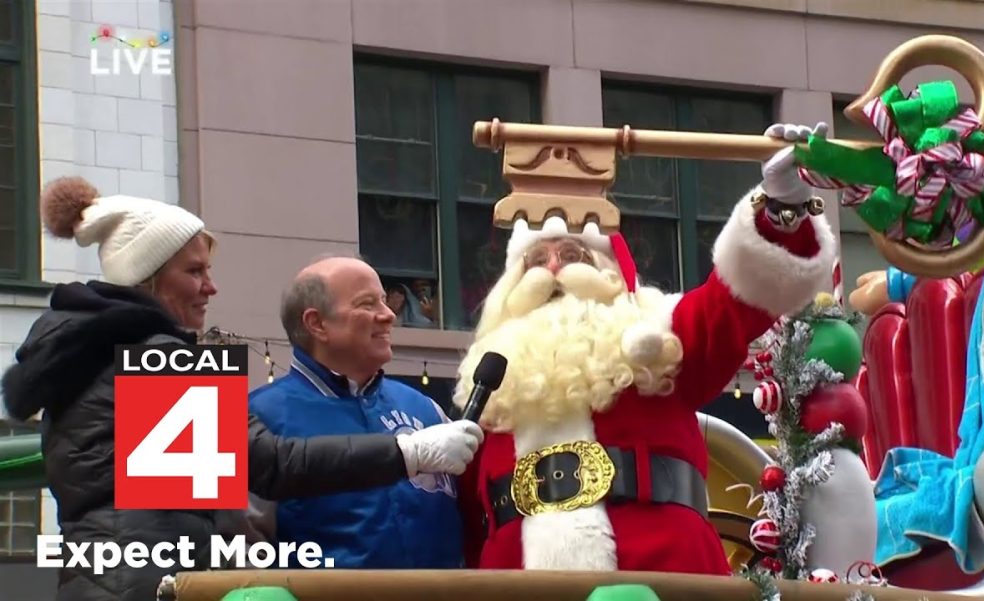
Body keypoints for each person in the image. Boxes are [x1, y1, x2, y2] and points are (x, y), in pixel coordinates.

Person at [0, 176, 480, 601]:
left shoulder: (102, 352)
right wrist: (408, 452)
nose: (211, 288)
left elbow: (195, 511)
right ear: (147, 279)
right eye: (194, 271)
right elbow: (266, 464)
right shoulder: (157, 355)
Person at [453, 122, 837, 574]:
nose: (552, 270)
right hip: (521, 585)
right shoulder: (488, 384)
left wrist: (779, 208)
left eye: (572, 255)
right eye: (537, 260)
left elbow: (732, 304)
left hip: (663, 573)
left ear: (610, 271)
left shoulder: (660, 330)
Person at [246, 256, 481, 569]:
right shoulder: (257, 417)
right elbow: (241, 562)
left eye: (384, 301)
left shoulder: (425, 408)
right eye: (367, 304)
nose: (388, 315)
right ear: (316, 323)